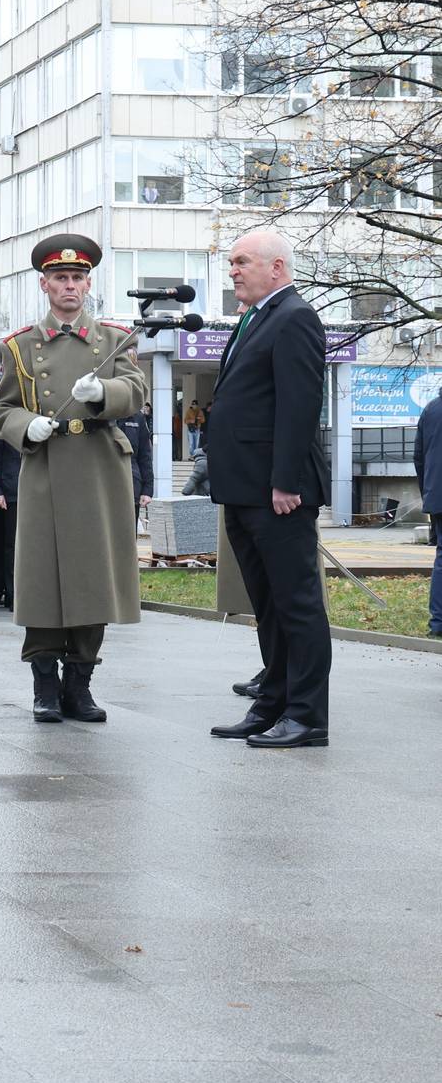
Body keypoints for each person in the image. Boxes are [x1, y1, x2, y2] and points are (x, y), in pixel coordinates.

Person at [0, 236, 147, 723]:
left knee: (92, 578)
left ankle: (80, 683)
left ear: (88, 284)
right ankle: (44, 685)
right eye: (61, 278)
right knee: (41, 580)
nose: (70, 286)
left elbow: (137, 391)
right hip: (47, 467)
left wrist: (104, 391)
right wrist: (23, 426)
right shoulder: (19, 345)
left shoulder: (115, 338)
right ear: (45, 285)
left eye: (78, 278)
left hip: (99, 466)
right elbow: (0, 408)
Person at [206, 228, 332, 748]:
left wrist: (285, 481)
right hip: (243, 488)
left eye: (242, 261)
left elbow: (300, 406)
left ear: (276, 267)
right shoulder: (257, 317)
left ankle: (307, 716)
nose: (232, 270)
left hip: (276, 491)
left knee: (296, 605)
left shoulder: (295, 316)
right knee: (269, 605)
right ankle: (271, 704)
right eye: (232, 262)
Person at [413, 390, 442, 638]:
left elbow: (418, 457)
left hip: (437, 495)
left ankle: (438, 623)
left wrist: (428, 492)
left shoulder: (431, 410)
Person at [120, 402, 154, 526]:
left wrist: (147, 489)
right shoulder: (98, 415)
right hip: (102, 486)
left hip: (131, 483)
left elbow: (145, 456)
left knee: (127, 536)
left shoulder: (137, 417)